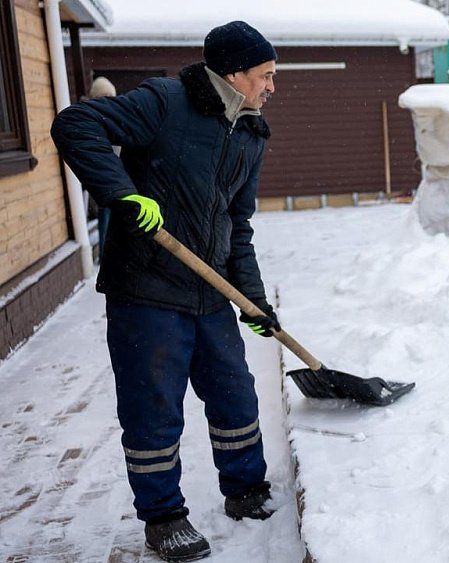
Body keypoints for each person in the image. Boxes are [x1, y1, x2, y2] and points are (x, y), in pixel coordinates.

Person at [52, 21, 280, 562]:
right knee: (153, 408)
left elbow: (236, 226)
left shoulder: (250, 133)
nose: (273, 87)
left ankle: (245, 489)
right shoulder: (164, 101)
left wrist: (252, 299)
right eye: (267, 75)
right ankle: (164, 517)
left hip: (208, 291)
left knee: (235, 392)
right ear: (234, 72)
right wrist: (123, 195)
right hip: (147, 290)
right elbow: (76, 123)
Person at [86, 76, 117, 260]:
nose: (108, 99)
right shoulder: (92, 118)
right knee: (105, 216)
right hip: (103, 177)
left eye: (110, 95)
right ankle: (106, 255)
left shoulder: (115, 114)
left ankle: (112, 254)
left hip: (118, 173)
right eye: (104, 96)